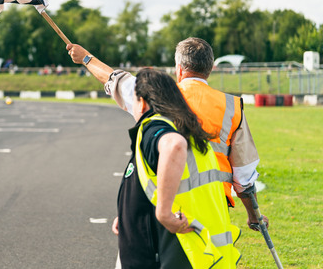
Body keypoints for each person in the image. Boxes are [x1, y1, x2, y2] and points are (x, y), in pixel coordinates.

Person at [66, 38, 269, 232]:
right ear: (209, 70)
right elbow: (244, 177)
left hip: (163, 203)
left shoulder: (155, 95)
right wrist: (254, 216)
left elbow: (116, 79)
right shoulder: (233, 107)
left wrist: (86, 58)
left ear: (179, 69)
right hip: (212, 205)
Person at [117, 68, 241, 268]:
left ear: (143, 101)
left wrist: (163, 214)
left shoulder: (155, 126)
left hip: (165, 252)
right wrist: (127, 218)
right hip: (190, 250)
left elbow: (173, 145)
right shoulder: (188, 130)